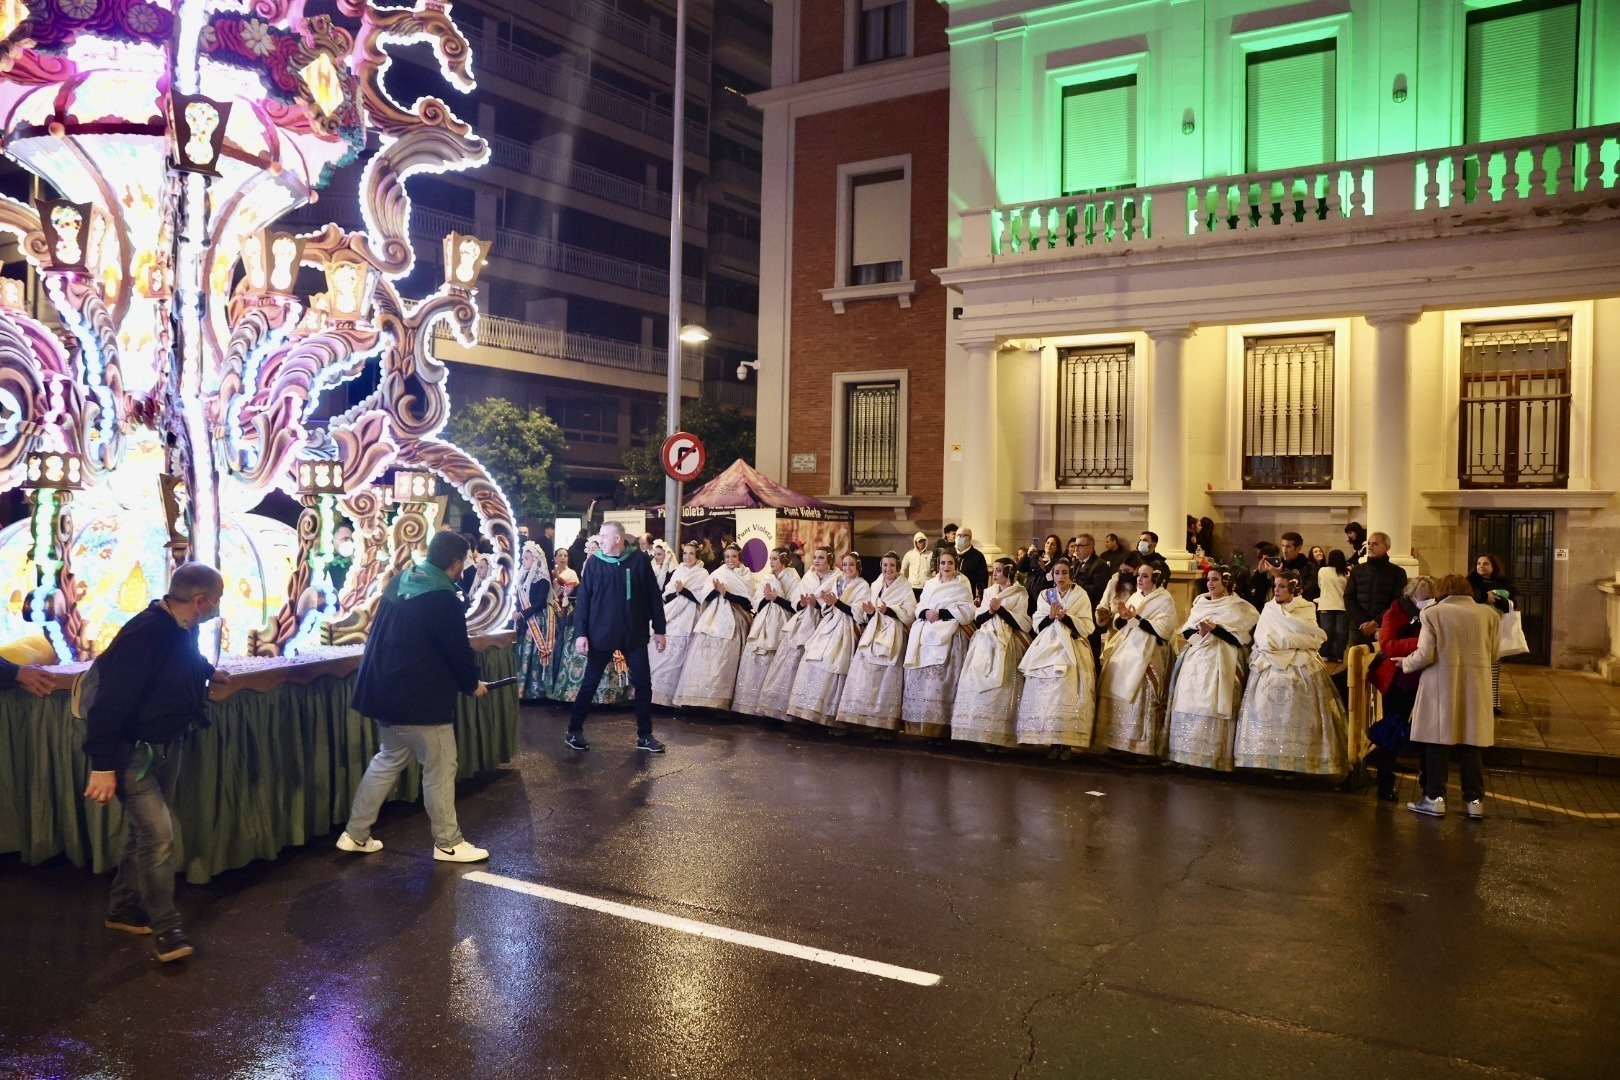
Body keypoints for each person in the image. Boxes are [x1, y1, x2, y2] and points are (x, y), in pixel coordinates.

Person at [82, 563, 228, 963]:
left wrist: (207, 671)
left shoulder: (181, 625)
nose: (217, 607)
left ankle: (122, 909)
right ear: (200, 600)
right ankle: (167, 928)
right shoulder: (145, 633)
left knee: (142, 835)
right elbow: (110, 704)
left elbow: (182, 660)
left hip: (168, 745)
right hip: (136, 753)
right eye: (216, 600)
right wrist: (102, 765)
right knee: (160, 838)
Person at [340, 533, 490, 862]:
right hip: (419, 700)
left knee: (387, 760)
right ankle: (448, 842)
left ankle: (355, 834)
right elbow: (456, 650)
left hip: (384, 691)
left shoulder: (402, 579)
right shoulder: (443, 598)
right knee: (439, 767)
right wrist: (471, 684)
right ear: (455, 564)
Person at [1402, 574, 1500, 818]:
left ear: (1442, 590)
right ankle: (1474, 801)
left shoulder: (1432, 613)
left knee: (1437, 740)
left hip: (1440, 683)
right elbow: (1494, 653)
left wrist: (1405, 663)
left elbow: (1425, 654)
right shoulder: (1489, 614)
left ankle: (1434, 798)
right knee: (1471, 743)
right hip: (1476, 683)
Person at [565, 522, 669, 753]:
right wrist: (581, 633)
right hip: (601, 633)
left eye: (603, 536)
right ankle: (574, 730)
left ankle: (645, 736)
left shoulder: (638, 560)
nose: (599, 540)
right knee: (590, 683)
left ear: (617, 539)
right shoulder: (594, 563)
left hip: (634, 632)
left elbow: (653, 595)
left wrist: (660, 629)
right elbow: (584, 602)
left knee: (643, 683)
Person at [1232, 570, 1348, 777]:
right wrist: (1285, 642)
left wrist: (1282, 642)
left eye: (1282, 586)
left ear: (1293, 589)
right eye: (1275, 585)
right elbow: (1262, 639)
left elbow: (1312, 640)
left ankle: (1297, 760)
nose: (1276, 590)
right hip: (1269, 664)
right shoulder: (1269, 608)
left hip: (1300, 664)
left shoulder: (1306, 608)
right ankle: (1268, 758)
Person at [1163, 567, 1258, 771]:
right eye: (1208, 579)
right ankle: (1184, 752)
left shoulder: (1238, 607)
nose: (1210, 584)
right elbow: (1187, 630)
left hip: (1222, 657)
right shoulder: (1200, 603)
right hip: (1197, 656)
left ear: (1227, 583)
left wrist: (1216, 630)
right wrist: (1201, 632)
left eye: (1215, 580)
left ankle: (1213, 756)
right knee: (1189, 701)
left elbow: (1240, 639)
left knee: (1212, 703)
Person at [1014, 557, 1097, 756]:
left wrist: (1066, 617)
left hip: (1072, 647)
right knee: (1048, 694)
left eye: (1065, 572)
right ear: (1052, 575)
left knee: (1067, 692)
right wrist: (1051, 617)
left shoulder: (1080, 594)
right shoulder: (1045, 595)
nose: (1061, 577)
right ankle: (1051, 741)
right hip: (1048, 647)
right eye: (1057, 573)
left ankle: (1067, 742)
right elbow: (1038, 623)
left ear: (1071, 575)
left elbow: (1087, 625)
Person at [1095, 563, 1177, 757]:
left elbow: (1164, 629)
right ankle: (1116, 741)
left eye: (1145, 576)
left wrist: (1136, 618)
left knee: (1142, 690)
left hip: (1150, 650)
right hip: (1128, 646)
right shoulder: (1135, 595)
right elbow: (1121, 623)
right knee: (1113, 681)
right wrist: (1123, 617)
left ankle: (1140, 747)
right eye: (1139, 575)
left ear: (1155, 578)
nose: (1140, 579)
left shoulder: (1165, 599)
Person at [835, 552, 918, 732]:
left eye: (892, 566)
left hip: (893, 633)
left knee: (887, 677)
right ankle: (862, 718)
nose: (888, 569)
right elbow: (867, 613)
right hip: (873, 630)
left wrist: (890, 610)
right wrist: (870, 611)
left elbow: (910, 613)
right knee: (864, 673)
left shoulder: (904, 586)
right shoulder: (876, 584)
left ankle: (885, 725)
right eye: (885, 565)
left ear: (897, 568)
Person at [787, 552, 872, 726]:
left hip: (846, 627)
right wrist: (825, 602)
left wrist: (837, 603)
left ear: (858, 568)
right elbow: (827, 605)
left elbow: (859, 613)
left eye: (851, 565)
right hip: (830, 623)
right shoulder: (838, 582)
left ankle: (833, 716)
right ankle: (810, 710)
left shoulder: (862, 585)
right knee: (813, 658)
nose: (847, 568)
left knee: (834, 662)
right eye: (845, 565)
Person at [1368, 577, 1434, 801]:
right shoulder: (1395, 612)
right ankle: (1385, 781)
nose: (1427, 600)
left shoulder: (1435, 613)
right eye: (1423, 595)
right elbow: (1388, 645)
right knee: (1393, 728)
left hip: (1426, 678)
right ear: (1413, 594)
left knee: (1425, 731)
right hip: (1398, 679)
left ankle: (1428, 786)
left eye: (1430, 596)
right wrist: (1423, 642)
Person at [900, 548, 975, 738]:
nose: (946, 566)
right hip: (926, 634)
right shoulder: (930, 583)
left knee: (942, 683)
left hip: (949, 635)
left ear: (955, 565)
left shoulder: (962, 582)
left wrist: (942, 613)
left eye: (950, 563)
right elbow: (921, 605)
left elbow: (967, 610)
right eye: (943, 563)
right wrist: (926, 613)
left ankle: (942, 730)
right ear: (938, 565)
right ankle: (922, 728)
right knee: (922, 681)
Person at [755, 547, 836, 720]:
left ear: (829, 560)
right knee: (789, 663)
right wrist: (803, 603)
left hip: (824, 625)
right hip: (803, 622)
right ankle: (783, 710)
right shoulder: (808, 576)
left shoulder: (836, 578)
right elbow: (794, 600)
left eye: (820, 558)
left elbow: (837, 603)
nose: (816, 561)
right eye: (814, 557)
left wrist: (818, 604)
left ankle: (809, 711)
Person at [672, 543, 754, 710]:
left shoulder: (747, 576)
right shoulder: (718, 573)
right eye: (727, 557)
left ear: (739, 558)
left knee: (725, 660)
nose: (730, 560)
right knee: (703, 657)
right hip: (712, 618)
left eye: (734, 557)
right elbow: (704, 597)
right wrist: (717, 591)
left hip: (735, 618)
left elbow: (748, 602)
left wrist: (727, 594)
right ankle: (697, 699)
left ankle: (719, 702)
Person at [731, 548, 802, 716]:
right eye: (770, 558)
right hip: (763, 621)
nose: (771, 562)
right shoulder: (767, 577)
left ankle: (771, 706)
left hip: (781, 622)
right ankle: (750, 704)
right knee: (755, 657)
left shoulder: (793, 577)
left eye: (775, 559)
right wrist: (766, 598)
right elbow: (756, 602)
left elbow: (794, 605)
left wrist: (775, 598)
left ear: (783, 560)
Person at [649, 541, 711, 707]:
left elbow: (702, 598)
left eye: (691, 553)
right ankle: (656, 695)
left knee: (682, 651)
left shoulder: (703, 574)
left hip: (690, 614)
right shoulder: (678, 571)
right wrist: (677, 593)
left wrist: (684, 591)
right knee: (666, 648)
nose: (688, 557)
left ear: (697, 556)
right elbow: (667, 595)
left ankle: (676, 696)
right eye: (685, 553)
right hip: (674, 612)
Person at [1346, 531, 1407, 649]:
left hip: (1384, 626)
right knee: (1355, 662)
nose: (1370, 547)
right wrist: (1362, 622)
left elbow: (1397, 602)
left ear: (1387, 547)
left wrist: (1375, 622)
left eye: (1375, 544)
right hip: (1359, 627)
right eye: (1369, 544)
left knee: (1381, 662)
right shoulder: (1357, 571)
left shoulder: (1397, 573)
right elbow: (1349, 598)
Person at [1468, 553, 1514, 710]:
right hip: (1475, 628)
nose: (1481, 566)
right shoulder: (1469, 583)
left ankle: (1493, 702)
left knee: (1494, 664)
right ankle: (1475, 701)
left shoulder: (1504, 584)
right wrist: (1483, 596)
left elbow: (1511, 605)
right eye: (1479, 563)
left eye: (1485, 563)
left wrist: (1498, 598)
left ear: (1493, 566)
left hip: (1495, 629)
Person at [512, 541, 553, 702]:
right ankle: (522, 690)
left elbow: (540, 602)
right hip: (525, 619)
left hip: (537, 620)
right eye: (523, 558)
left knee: (534, 654)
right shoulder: (523, 577)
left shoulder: (541, 579)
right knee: (523, 652)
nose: (524, 561)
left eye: (527, 558)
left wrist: (522, 614)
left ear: (536, 560)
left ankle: (536, 691)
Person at [1316, 549, 1350, 662]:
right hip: (1342, 605)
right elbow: (1347, 590)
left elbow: (1320, 585)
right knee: (1341, 633)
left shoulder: (1322, 570)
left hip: (1325, 604)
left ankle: (1325, 654)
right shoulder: (1346, 572)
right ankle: (1338, 655)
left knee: (1326, 632)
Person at [1021, 534, 1063, 615]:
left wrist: (1044, 568)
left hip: (1044, 598)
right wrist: (1027, 555)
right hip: (1029, 596)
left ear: (1057, 548)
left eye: (1052, 544)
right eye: (1047, 543)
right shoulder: (1035, 556)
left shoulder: (1058, 562)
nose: (1049, 545)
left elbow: (1052, 579)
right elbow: (1021, 568)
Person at [1279, 532, 1319, 601]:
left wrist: (1278, 575)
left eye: (1288, 546)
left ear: (1298, 548)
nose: (1284, 550)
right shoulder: (1279, 564)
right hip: (1279, 606)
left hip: (1301, 606)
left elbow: (1305, 590)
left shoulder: (1309, 567)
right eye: (1283, 546)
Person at [954, 526, 989, 599]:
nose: (959, 538)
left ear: (969, 538)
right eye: (958, 535)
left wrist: (980, 595)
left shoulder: (977, 556)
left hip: (968, 594)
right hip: (951, 593)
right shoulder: (950, 554)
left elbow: (982, 578)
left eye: (963, 535)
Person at [900, 532, 932, 598]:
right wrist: (903, 582)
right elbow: (903, 569)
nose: (922, 543)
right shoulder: (909, 554)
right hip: (912, 586)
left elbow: (934, 569)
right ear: (915, 542)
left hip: (926, 586)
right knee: (911, 605)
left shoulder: (931, 554)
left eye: (923, 541)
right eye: (919, 541)